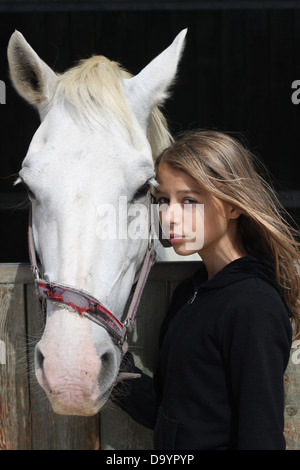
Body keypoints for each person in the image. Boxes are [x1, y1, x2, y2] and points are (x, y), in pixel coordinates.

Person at [114, 130, 300, 450]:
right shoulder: (192, 290)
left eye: (189, 200)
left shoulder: (253, 305)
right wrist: (112, 368)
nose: (169, 216)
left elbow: (261, 438)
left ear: (233, 207)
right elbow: (172, 413)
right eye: (163, 201)